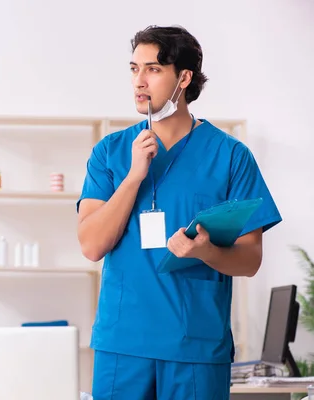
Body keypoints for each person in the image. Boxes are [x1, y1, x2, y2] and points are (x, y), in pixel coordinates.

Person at [76, 25, 282, 400]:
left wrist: (206, 251)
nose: (139, 81)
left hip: (195, 347)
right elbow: (91, 245)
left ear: (183, 77)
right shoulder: (110, 152)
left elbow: (250, 259)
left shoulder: (231, 157)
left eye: (153, 69)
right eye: (134, 69)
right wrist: (134, 176)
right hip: (124, 342)